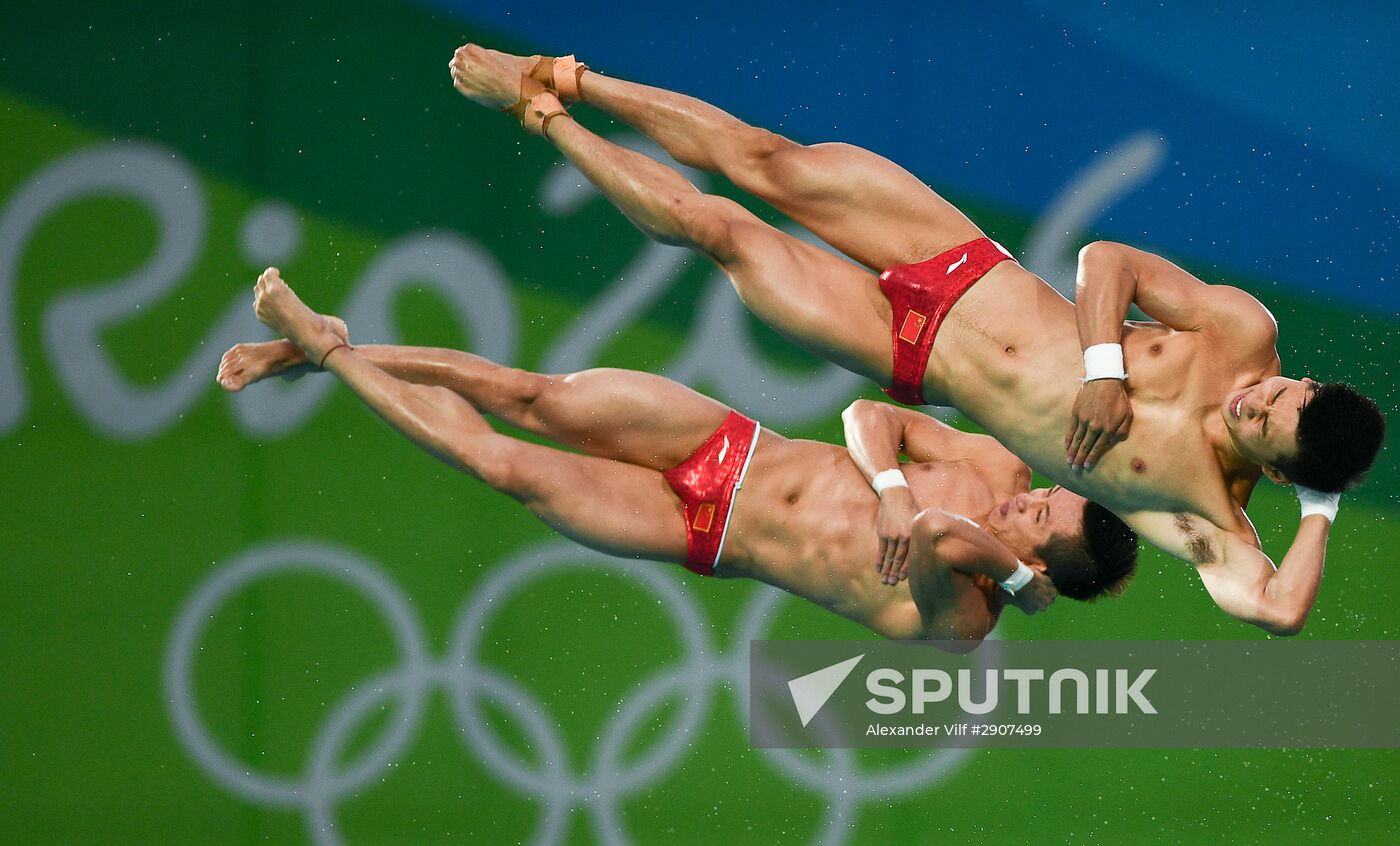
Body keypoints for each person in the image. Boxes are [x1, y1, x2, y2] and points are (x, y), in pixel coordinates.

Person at [446, 46, 1384, 636]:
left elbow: (1279, 611)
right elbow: (1108, 262)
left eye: (1267, 423)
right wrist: (1104, 366)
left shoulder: (1202, 516)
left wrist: (1319, 510)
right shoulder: (1242, 336)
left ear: (1278, 465)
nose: (1257, 398)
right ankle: (563, 74)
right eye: (1282, 390)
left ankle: (542, 116)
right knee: (766, 158)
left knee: (721, 233)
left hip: (910, 356)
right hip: (960, 260)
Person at [219, 268, 1136, 648]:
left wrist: (1009, 577)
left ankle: (325, 350)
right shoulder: (994, 468)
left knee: (503, 466)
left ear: (1041, 562)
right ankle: (303, 352)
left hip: (700, 529)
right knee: (530, 394)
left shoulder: (967, 621)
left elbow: (941, 537)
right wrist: (889, 485)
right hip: (729, 445)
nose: (1029, 500)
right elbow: (868, 415)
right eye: (1046, 498)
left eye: (1039, 521)